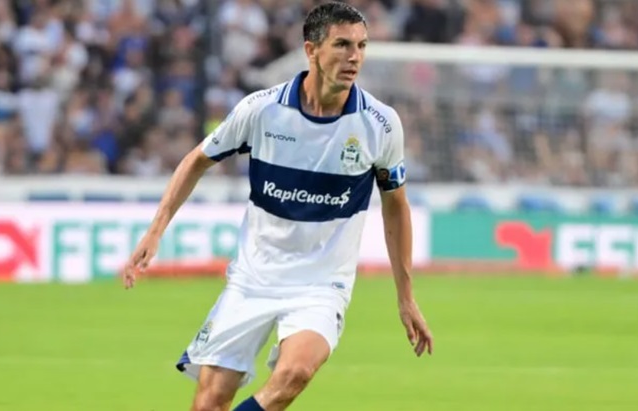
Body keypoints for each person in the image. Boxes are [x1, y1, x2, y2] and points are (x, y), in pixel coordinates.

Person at [122, 2, 434, 410]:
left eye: (361, 46)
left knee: (294, 373)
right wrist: (155, 230)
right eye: (341, 45)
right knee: (209, 403)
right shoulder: (262, 110)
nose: (354, 56)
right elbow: (196, 160)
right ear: (311, 50)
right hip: (252, 279)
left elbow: (396, 205)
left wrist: (406, 296)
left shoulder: (381, 124)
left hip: (321, 285)